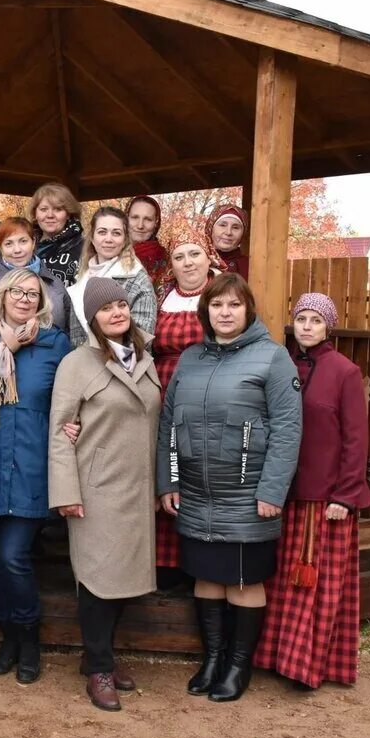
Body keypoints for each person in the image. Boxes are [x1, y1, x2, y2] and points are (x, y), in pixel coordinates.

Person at [157, 273, 302, 703]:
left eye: (234, 305)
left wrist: (272, 490)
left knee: (242, 581)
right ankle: (213, 659)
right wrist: (169, 479)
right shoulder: (191, 358)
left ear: (248, 310)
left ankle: (239, 667)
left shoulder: (273, 358)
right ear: (206, 311)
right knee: (206, 578)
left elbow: (288, 429)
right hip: (196, 493)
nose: (225, 313)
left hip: (247, 494)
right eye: (217, 305)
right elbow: (168, 424)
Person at [49, 278, 161, 712]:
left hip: (136, 488)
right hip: (94, 490)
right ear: (91, 319)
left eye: (121, 305)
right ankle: (98, 667)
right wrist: (65, 492)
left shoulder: (144, 358)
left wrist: (158, 485)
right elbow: (61, 431)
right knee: (96, 581)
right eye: (106, 308)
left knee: (123, 582)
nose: (116, 313)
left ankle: (101, 658)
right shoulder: (77, 363)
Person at [255, 294, 370, 689]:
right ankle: (276, 657)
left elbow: (356, 440)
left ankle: (307, 667)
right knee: (280, 581)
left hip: (325, 498)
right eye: (300, 319)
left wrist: (345, 495)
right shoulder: (281, 364)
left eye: (315, 320)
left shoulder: (345, 372)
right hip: (282, 491)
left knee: (315, 583)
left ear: (328, 327)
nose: (306, 326)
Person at [0, 268, 71, 684]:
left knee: (14, 556)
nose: (26, 299)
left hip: (33, 464)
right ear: (2, 295)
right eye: (18, 291)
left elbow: (71, 397)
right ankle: (8, 638)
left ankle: (29, 640)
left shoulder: (55, 344)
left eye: (33, 293)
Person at [151, 237, 227, 573]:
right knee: (164, 467)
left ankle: (198, 560)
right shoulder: (159, 297)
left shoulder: (222, 296)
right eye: (179, 257)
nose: (188, 262)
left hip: (205, 391)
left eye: (194, 254)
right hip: (162, 389)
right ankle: (163, 563)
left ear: (207, 258)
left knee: (197, 468)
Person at [0, 216, 71, 339]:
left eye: (23, 241)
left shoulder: (54, 283)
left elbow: (69, 331)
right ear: (0, 247)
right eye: (9, 243)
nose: (17, 250)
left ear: (33, 242)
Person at [66, 207, 157, 347]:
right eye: (102, 232)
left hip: (125, 364)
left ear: (125, 239)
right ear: (92, 237)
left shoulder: (137, 279)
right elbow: (75, 338)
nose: (109, 239)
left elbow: (140, 338)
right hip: (84, 364)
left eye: (116, 233)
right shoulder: (81, 279)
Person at [30, 182, 84, 286]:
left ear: (68, 214)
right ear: (35, 214)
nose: (50, 215)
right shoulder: (24, 245)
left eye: (58, 209)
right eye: (43, 209)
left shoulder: (84, 247)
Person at [127, 195, 170, 291]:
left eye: (148, 219)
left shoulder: (165, 259)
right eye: (135, 217)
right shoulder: (111, 252)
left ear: (156, 223)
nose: (140, 225)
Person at [207, 205, 249, 279]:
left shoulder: (250, 266)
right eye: (222, 225)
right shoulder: (199, 261)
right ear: (211, 229)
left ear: (243, 233)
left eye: (235, 227)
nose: (228, 232)